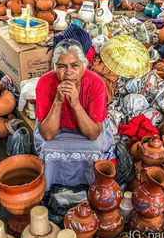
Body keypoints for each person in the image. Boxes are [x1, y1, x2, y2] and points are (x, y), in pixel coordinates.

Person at [34, 39, 113, 191]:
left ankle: (89, 187)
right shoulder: (45, 83)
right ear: (55, 68)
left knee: (94, 147)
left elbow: (93, 134)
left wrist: (75, 103)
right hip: (57, 131)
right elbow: (48, 135)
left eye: (74, 65)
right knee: (47, 147)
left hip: (87, 130)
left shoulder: (96, 83)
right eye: (62, 66)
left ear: (84, 66)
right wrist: (58, 101)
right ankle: (53, 186)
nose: (68, 72)